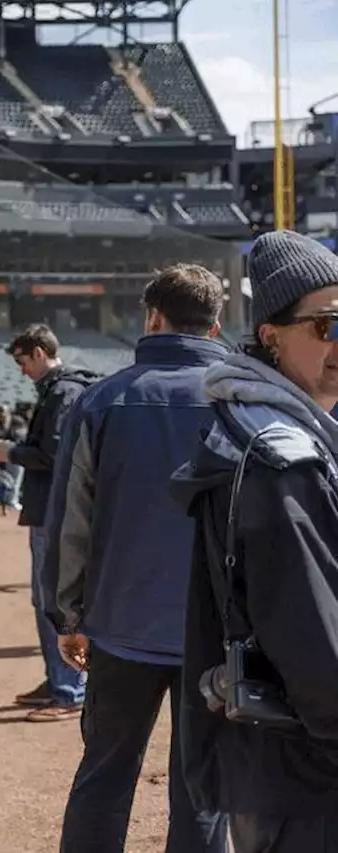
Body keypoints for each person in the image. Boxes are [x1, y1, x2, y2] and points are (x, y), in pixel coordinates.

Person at [40, 265, 230, 852]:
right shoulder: (242, 402)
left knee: (104, 778)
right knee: (203, 793)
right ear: (216, 326)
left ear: (152, 317)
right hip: (216, 633)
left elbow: (70, 523)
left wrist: (66, 616)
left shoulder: (103, 399)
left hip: (120, 627)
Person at [172, 230, 338, 851]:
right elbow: (318, 648)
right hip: (309, 772)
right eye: (327, 326)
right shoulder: (282, 457)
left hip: (276, 762)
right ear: (271, 335)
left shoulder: (269, 427)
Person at [0, 324, 98, 721]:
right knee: (49, 600)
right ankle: (59, 679)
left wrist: (9, 451)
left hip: (58, 510)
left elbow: (54, 455)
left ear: (38, 352)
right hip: (55, 507)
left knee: (53, 601)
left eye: (22, 361)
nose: (21, 370)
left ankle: (69, 688)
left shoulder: (64, 391)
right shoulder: (61, 389)